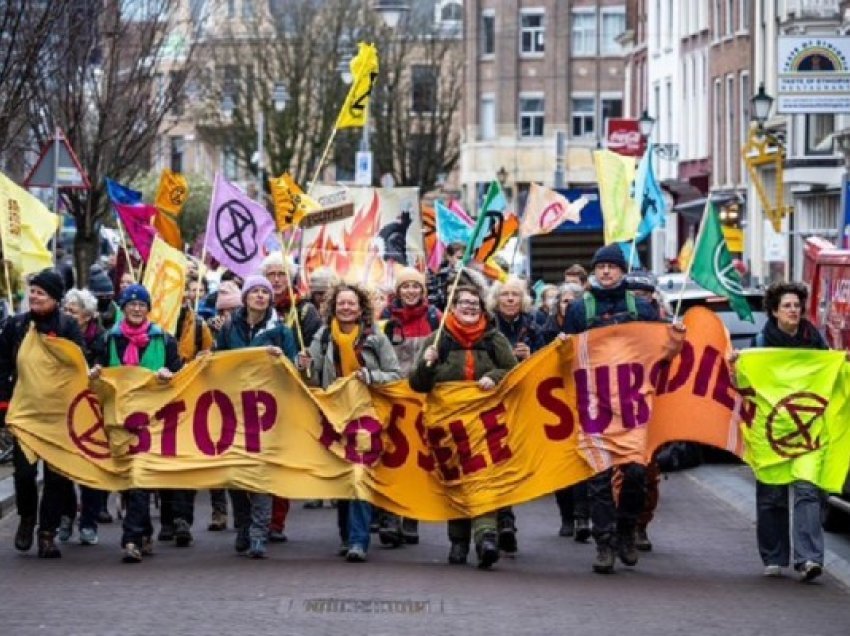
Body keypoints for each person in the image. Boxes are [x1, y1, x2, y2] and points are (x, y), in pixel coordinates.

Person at [563, 245, 664, 574]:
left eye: (612, 267)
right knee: (598, 476)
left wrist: (675, 338)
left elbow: (661, 350)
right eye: (600, 267)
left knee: (636, 472)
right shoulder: (579, 308)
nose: (606, 272)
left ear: (622, 271)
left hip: (633, 404)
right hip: (593, 402)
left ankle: (626, 531)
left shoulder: (643, 308)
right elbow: (563, 353)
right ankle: (604, 543)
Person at [409, 284, 518, 569]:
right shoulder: (437, 340)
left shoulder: (494, 339)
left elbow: (514, 372)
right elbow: (417, 384)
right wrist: (428, 365)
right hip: (448, 426)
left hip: (485, 424)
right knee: (456, 479)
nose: (469, 308)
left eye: (475, 304)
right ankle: (458, 541)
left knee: (484, 476)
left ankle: (486, 538)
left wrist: (494, 376)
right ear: (452, 308)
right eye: (463, 303)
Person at [298, 282, 401, 563]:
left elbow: (395, 374)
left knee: (359, 475)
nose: (346, 308)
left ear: (360, 308)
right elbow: (313, 379)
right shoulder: (322, 337)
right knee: (344, 477)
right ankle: (346, 536)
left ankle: (358, 540)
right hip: (335, 417)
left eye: (351, 303)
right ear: (333, 306)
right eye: (341, 303)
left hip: (366, 417)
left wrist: (371, 377)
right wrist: (304, 365)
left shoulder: (375, 338)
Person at [733, 281, 828, 582]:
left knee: (808, 490)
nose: (793, 311)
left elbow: (830, 374)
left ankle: (809, 559)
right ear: (774, 311)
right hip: (771, 432)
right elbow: (745, 385)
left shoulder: (816, 342)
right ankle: (774, 556)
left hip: (808, 431)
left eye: (797, 306)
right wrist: (736, 366)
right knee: (772, 494)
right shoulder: (761, 344)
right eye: (787, 306)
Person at [89, 284, 183, 563]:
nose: (136, 309)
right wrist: (95, 371)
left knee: (140, 477)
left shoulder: (164, 340)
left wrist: (170, 373)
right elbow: (97, 369)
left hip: (153, 421)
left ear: (148, 308)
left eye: (141, 304)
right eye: (131, 304)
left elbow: (180, 374)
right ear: (123, 308)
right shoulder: (109, 339)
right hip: (119, 420)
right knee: (131, 480)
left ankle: (130, 539)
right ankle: (144, 532)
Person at [0, 269, 84, 558]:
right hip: (26, 414)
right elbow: (2, 365)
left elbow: (78, 364)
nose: (34, 297)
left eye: (40, 293)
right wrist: (3, 401)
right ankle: (26, 518)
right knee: (23, 475)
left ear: (56, 299)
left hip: (59, 416)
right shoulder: (16, 326)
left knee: (56, 479)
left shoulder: (68, 328)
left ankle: (46, 534)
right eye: (32, 291)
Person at [214, 275, 279, 558]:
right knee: (236, 473)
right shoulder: (229, 328)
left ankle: (258, 534)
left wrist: (288, 360)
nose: (261, 296)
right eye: (256, 291)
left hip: (268, 412)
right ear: (246, 297)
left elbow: (293, 372)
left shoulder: (281, 331)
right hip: (234, 410)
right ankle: (242, 524)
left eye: (266, 292)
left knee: (262, 475)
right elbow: (218, 361)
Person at [378, 266, 441, 546]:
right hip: (393, 395)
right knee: (390, 456)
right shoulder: (385, 320)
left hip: (424, 395)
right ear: (398, 291)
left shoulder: (435, 317)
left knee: (418, 458)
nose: (411, 291)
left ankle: (411, 517)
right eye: (406, 287)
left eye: (416, 286)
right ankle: (390, 516)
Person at [262, 252, 322, 537]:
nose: (275, 281)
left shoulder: (305, 312)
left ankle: (276, 520)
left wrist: (304, 360)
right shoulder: (255, 307)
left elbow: (313, 348)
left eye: (280, 275)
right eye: (271, 275)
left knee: (281, 455)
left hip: (290, 393)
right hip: (258, 393)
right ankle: (254, 517)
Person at [486, 276, 543, 554]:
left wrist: (530, 355)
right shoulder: (486, 326)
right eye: (505, 295)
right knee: (497, 460)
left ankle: (506, 516)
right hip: (492, 401)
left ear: (523, 300)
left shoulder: (534, 326)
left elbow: (547, 360)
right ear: (496, 300)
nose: (510, 299)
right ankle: (504, 519)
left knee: (514, 461)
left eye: (515, 295)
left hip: (522, 402)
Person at [158, 276, 214, 544]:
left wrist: (206, 360)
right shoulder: (154, 327)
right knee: (163, 459)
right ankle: (167, 519)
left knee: (186, 460)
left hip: (191, 400)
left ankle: (182, 520)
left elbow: (213, 356)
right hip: (160, 401)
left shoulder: (200, 326)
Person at [541, 282, 592, 541]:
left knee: (581, 458)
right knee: (561, 460)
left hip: (582, 399)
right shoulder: (546, 332)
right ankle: (566, 517)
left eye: (575, 301)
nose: (569, 306)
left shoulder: (589, 331)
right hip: (555, 405)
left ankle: (583, 516)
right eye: (564, 301)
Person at [59, 288, 108, 546]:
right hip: (64, 410)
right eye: (65, 310)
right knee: (63, 468)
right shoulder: (58, 335)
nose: (67, 315)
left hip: (91, 411)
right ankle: (66, 515)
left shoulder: (100, 339)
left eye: (72, 311)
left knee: (90, 464)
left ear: (87, 316)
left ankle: (88, 521)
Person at [205, 279, 243, 531]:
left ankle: (243, 515)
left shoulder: (242, 328)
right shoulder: (208, 329)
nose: (227, 315)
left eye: (232, 310)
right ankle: (219, 510)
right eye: (223, 311)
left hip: (242, 402)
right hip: (216, 401)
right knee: (215, 457)